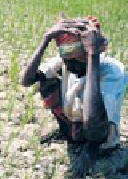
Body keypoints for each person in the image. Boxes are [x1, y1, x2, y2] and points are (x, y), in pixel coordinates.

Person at [22, 16, 128, 150]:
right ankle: (67, 131)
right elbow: (27, 80)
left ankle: (92, 152)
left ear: (90, 50)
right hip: (76, 125)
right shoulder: (67, 62)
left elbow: (92, 120)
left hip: (100, 138)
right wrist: (46, 39)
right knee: (46, 82)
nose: (68, 62)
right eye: (65, 53)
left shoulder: (113, 71)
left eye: (76, 54)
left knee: (93, 123)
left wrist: (92, 56)